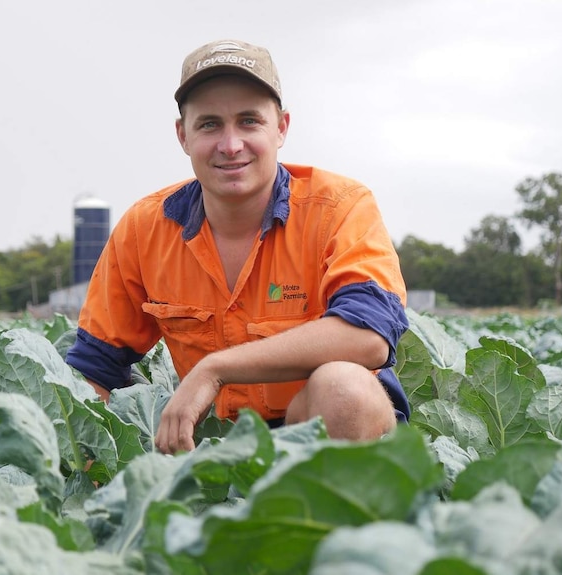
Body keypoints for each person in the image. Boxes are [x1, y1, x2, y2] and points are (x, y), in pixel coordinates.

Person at [65, 39, 410, 455]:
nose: (231, 145)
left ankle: (336, 516)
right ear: (183, 135)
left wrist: (214, 370)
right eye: (209, 124)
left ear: (281, 127)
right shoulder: (144, 228)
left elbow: (368, 336)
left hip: (320, 436)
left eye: (249, 121)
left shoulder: (339, 207)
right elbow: (95, 367)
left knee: (344, 387)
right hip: (209, 450)